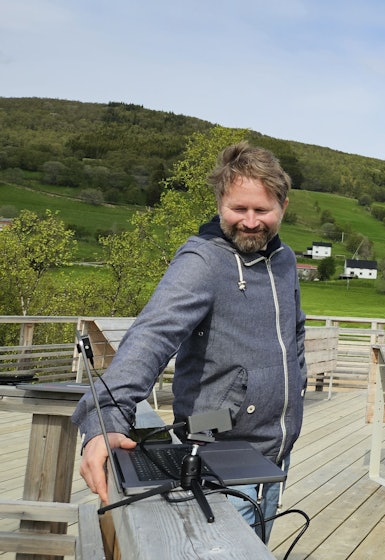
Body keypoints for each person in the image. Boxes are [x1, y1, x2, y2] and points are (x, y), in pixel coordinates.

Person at [71, 141, 305, 540]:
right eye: (238, 209)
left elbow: (295, 334)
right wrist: (105, 418)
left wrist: (297, 384)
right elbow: (152, 335)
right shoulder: (203, 261)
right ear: (219, 204)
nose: (250, 222)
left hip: (275, 457)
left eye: (262, 210)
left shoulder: (284, 262)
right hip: (219, 460)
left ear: (283, 205)